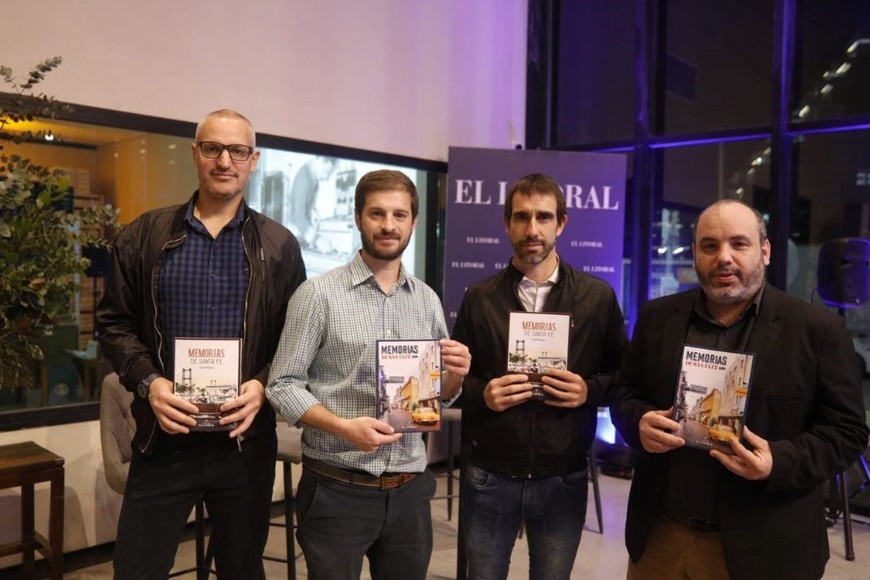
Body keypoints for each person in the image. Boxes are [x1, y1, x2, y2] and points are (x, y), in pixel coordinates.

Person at [96, 109, 306, 579]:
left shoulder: (279, 246)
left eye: (237, 151)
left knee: (240, 569)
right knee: (136, 569)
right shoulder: (145, 236)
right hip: (163, 440)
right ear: (196, 154)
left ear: (253, 160)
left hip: (243, 445)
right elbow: (114, 325)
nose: (224, 160)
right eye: (213, 148)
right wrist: (149, 383)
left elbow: (296, 340)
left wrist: (263, 384)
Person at [610, 199, 870, 580]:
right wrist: (638, 423)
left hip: (765, 548)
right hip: (661, 539)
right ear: (696, 253)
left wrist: (777, 461)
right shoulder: (656, 318)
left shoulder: (817, 331)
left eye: (739, 243)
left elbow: (848, 433)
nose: (723, 258)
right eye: (710, 246)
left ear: (764, 251)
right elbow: (624, 392)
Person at [266, 169, 471, 580]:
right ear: (358, 217)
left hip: (411, 490)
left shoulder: (427, 300)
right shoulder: (318, 295)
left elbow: (437, 397)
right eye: (377, 213)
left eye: (399, 214)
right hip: (336, 489)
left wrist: (457, 377)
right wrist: (343, 428)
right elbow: (282, 385)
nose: (388, 225)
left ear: (413, 221)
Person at [451, 173, 627, 580]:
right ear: (507, 223)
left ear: (561, 224)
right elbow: (455, 384)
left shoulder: (597, 297)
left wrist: (588, 390)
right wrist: (483, 394)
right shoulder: (479, 297)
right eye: (522, 217)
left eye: (543, 217)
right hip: (489, 475)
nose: (532, 229)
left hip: (562, 477)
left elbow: (623, 377)